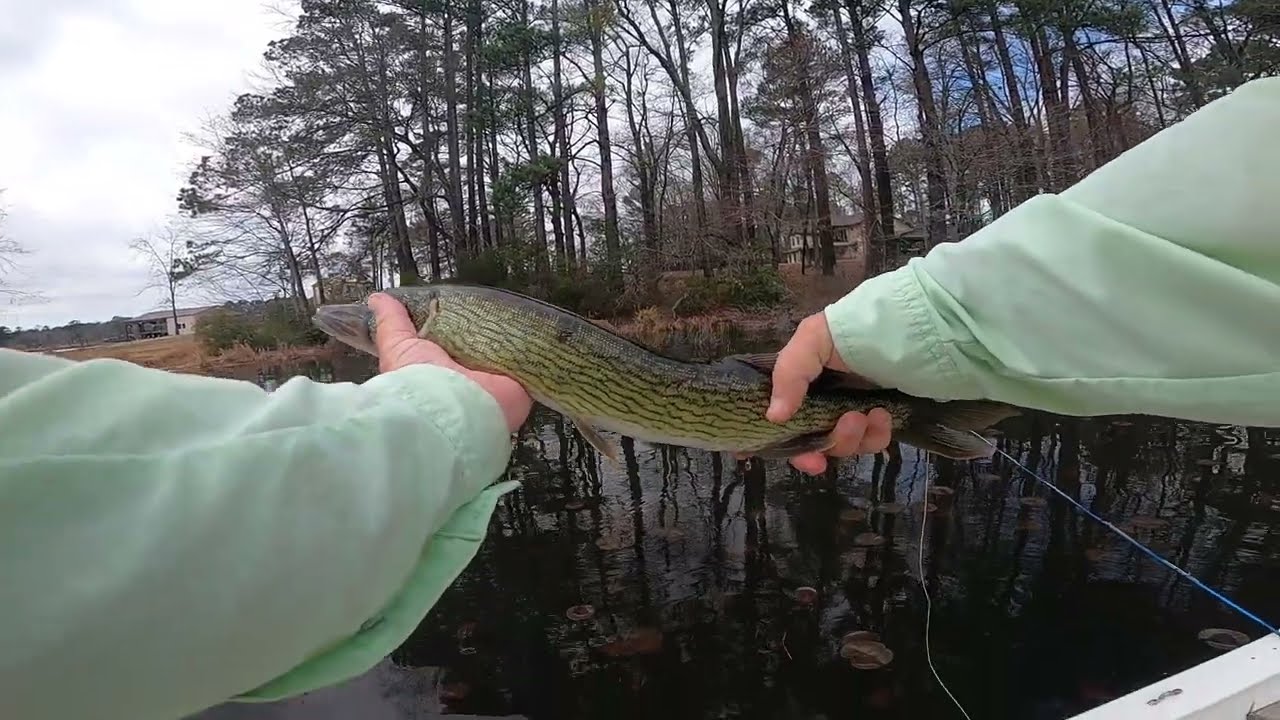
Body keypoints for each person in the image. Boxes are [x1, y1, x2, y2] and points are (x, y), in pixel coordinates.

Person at [0, 75, 1275, 720]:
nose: (349, 325)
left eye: (364, 322)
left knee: (772, 416)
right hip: (756, 383)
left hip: (733, 390)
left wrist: (428, 407)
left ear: (412, 330)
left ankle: (925, 416)